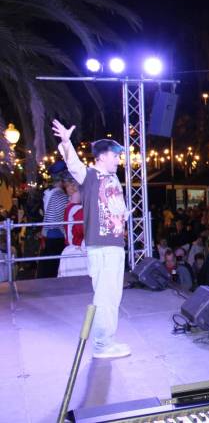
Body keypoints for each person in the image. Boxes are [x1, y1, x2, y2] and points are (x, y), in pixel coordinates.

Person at [54, 119, 131, 358]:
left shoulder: (113, 179)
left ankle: (107, 340)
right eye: (115, 156)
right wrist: (66, 143)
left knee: (112, 296)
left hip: (115, 245)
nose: (119, 160)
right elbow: (73, 164)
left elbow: (115, 208)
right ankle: (101, 346)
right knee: (105, 297)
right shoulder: (89, 176)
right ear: (102, 156)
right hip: (102, 247)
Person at [38, 160, 69, 278]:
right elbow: (54, 219)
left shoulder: (48, 193)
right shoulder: (60, 195)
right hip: (57, 237)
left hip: (50, 236)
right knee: (54, 268)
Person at [57, 177, 88, 277]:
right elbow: (85, 232)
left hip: (71, 251)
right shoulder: (78, 210)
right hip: (78, 253)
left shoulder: (69, 207)